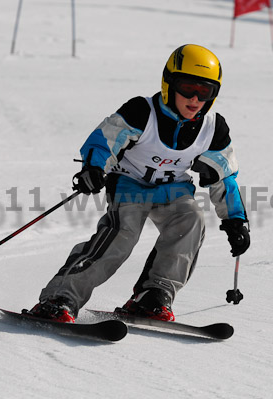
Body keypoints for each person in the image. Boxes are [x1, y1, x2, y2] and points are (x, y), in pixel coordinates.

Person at [29, 44, 250, 323]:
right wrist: (94, 168)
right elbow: (105, 139)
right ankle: (60, 297)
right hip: (129, 184)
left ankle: (154, 295)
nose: (195, 99)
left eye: (205, 91)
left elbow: (224, 176)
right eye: (187, 88)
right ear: (168, 83)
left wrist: (235, 220)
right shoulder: (142, 111)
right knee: (122, 236)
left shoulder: (212, 128)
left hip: (174, 188)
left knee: (191, 220)